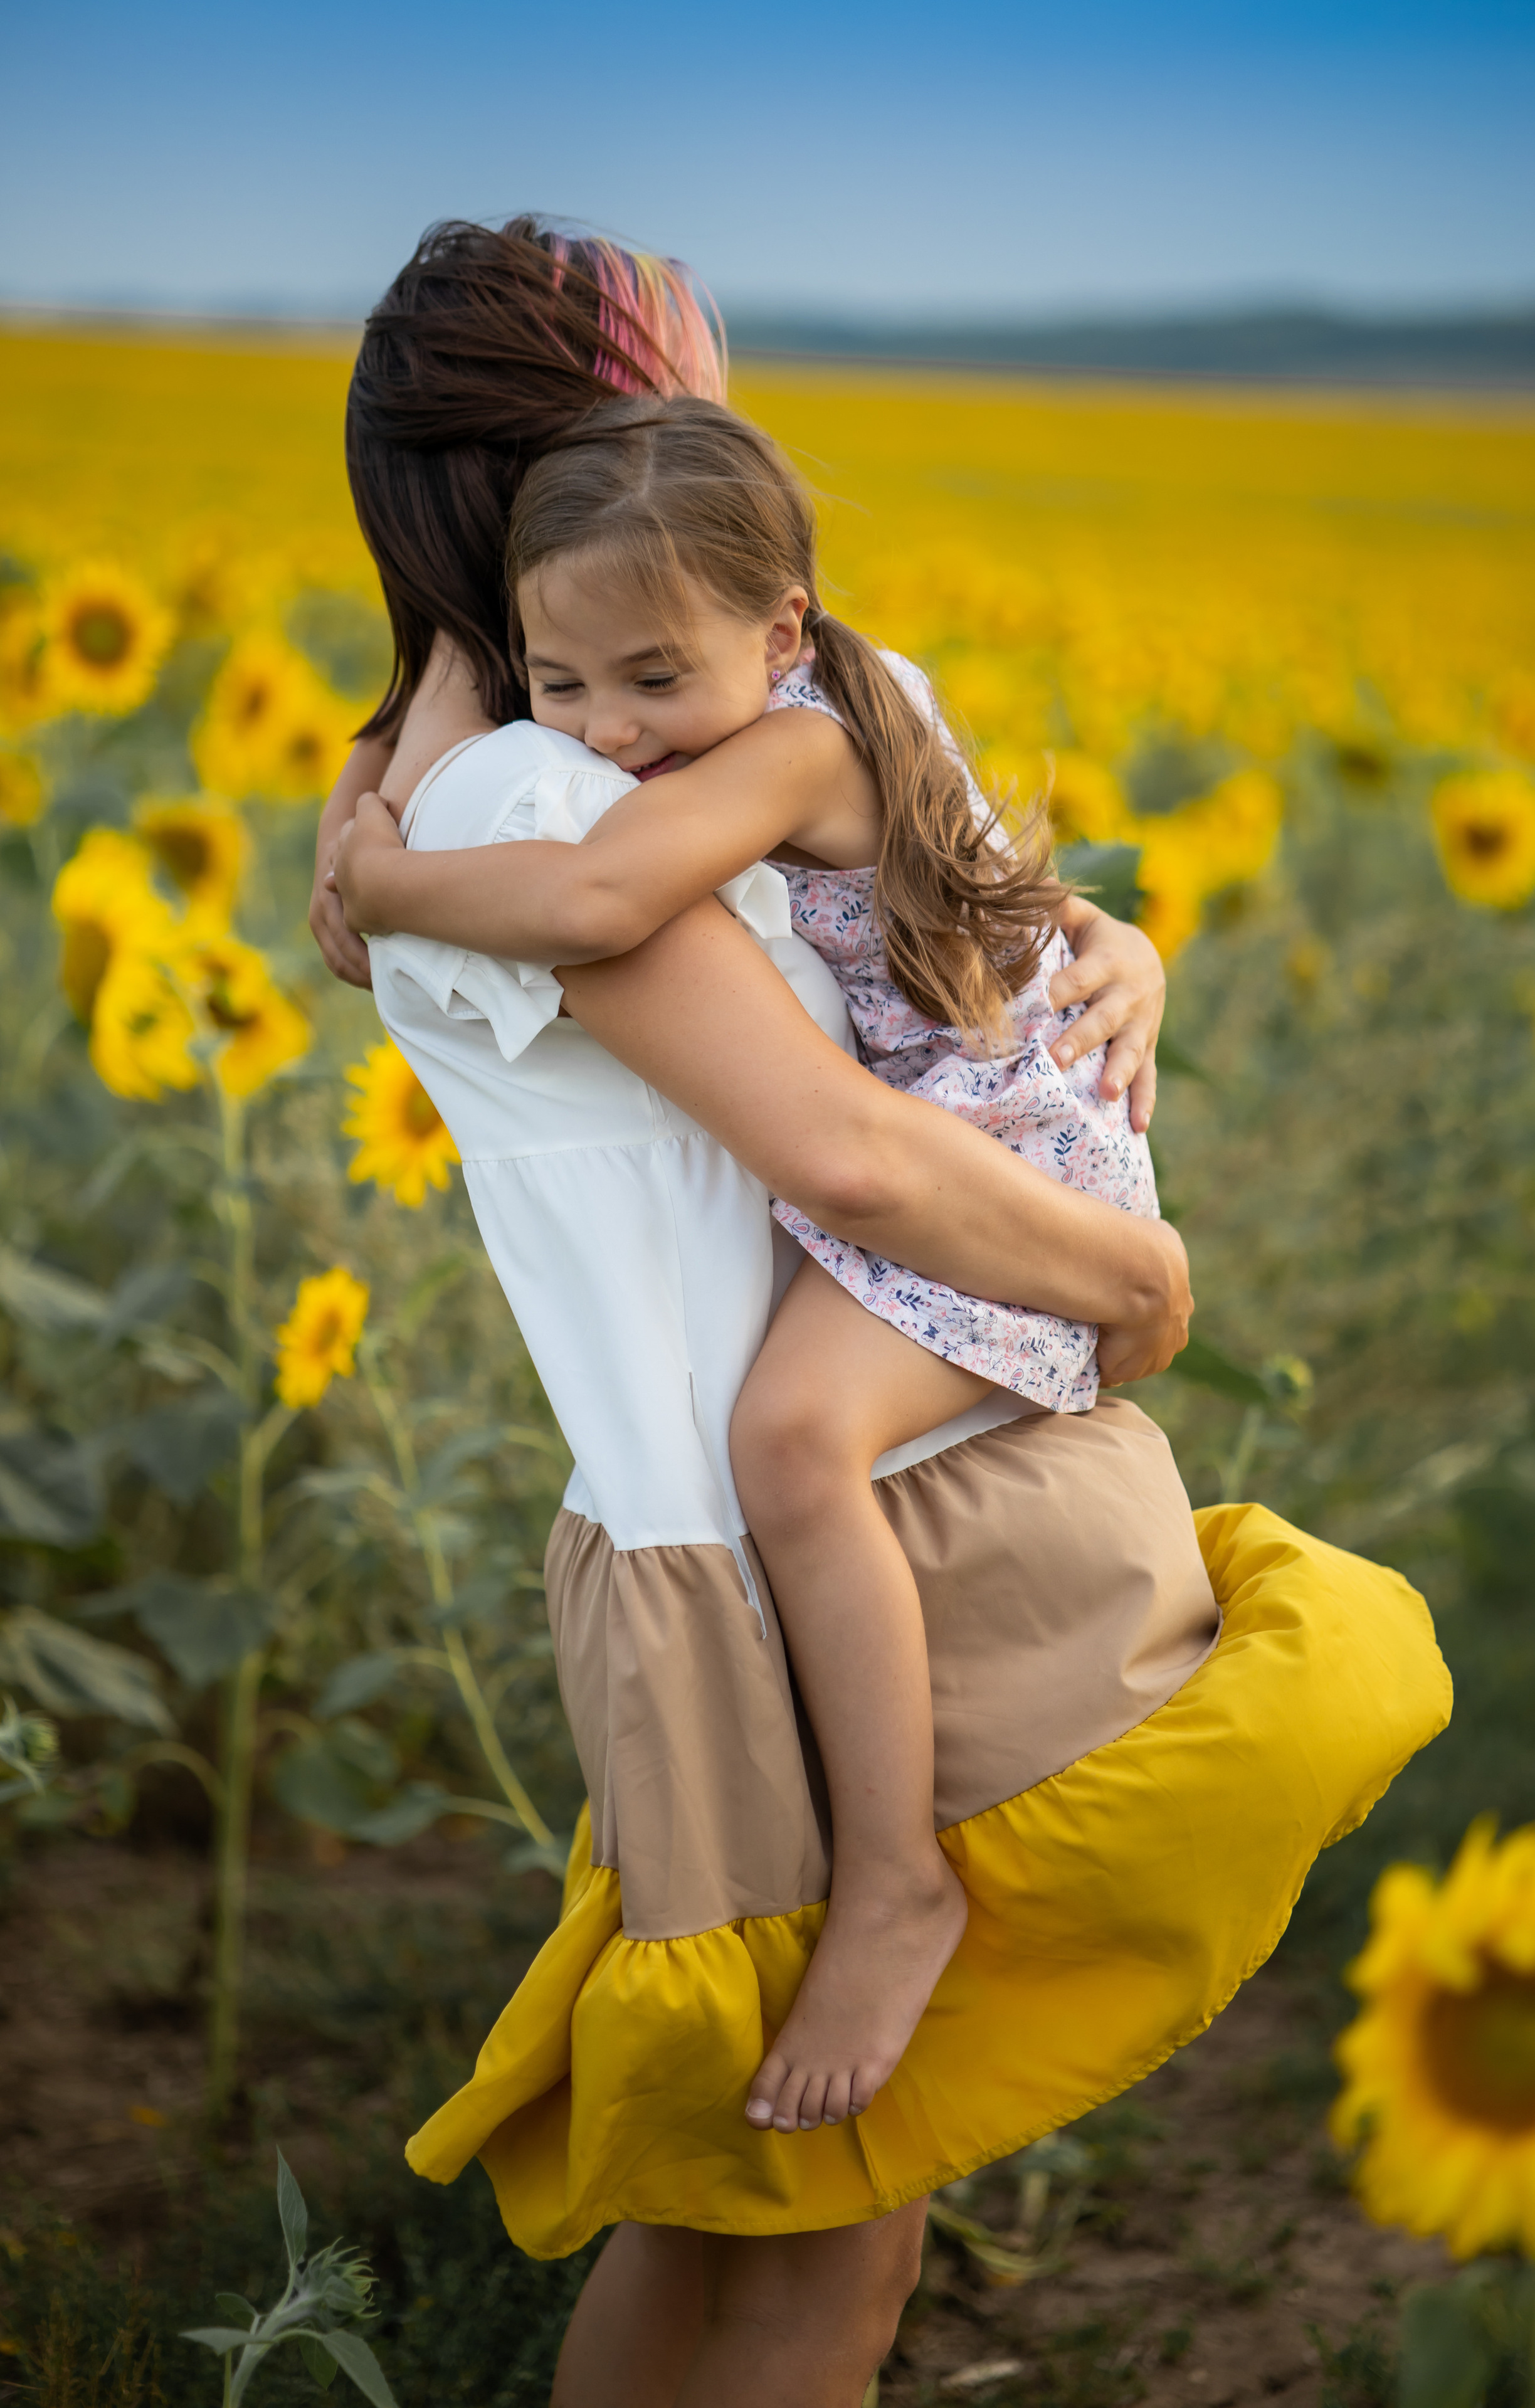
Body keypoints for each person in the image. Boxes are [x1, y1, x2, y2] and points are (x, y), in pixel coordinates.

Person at [312, 219, 1451, 2408]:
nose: (734, 407)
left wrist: (1103, 941)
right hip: (832, 1517)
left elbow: (910, 904)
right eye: (697, 368)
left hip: (777, 1507)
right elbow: (837, 1147)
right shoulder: (557, 790)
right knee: (820, 2264)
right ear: (597, 433)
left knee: (735, 2218)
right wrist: (1132, 1265)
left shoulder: (487, 764)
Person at [331, 389, 1187, 2145]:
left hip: (1007, 1168)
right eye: (560, 690)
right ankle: (894, 1868)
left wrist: (388, 879)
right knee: (798, 1443)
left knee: (790, 1447)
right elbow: (1024, 907)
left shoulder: (797, 745)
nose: (611, 734)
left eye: (654, 680)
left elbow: (590, 902)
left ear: (780, 628)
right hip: (984, 1139)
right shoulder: (803, 705)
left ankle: (893, 1886)